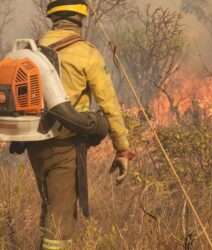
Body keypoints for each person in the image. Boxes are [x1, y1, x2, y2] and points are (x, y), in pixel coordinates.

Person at [25, 1, 133, 249]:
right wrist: (122, 149)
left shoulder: (34, 49)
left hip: (34, 145)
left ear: (52, 17)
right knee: (61, 225)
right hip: (65, 147)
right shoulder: (87, 53)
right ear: (80, 19)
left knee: (50, 204)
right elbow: (109, 105)